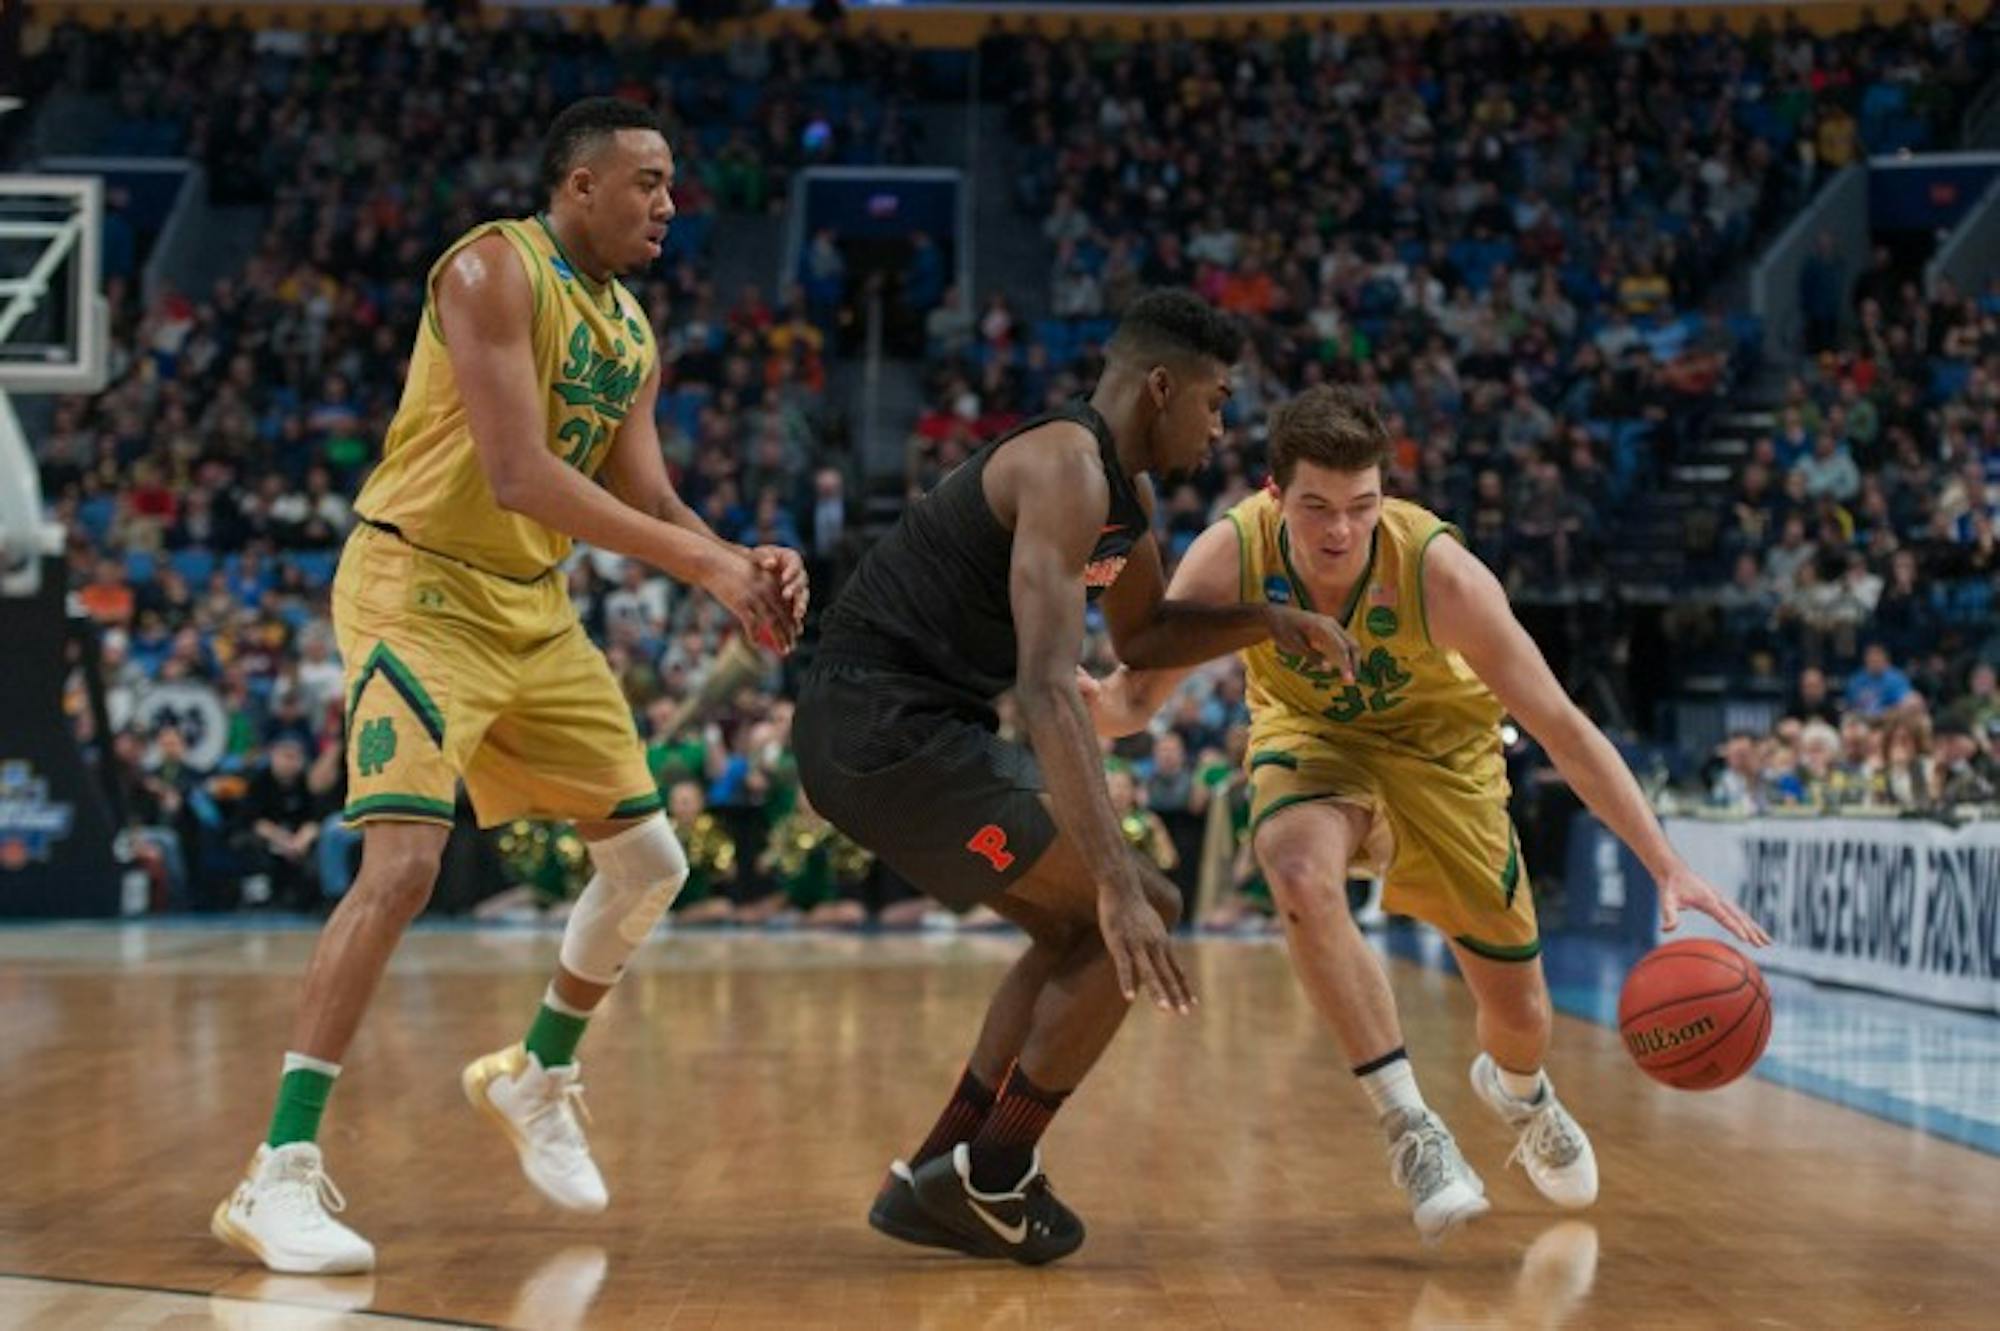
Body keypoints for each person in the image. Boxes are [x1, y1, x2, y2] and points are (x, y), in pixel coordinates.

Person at [212, 98, 805, 1275]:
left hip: (530, 607)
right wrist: (700, 562)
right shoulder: (491, 268)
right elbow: (520, 471)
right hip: (414, 589)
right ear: (577, 185)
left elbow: (646, 495)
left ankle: (536, 1072)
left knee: (650, 863)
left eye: (671, 185)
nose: (668, 204)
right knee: (404, 866)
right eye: (645, 181)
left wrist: (739, 560)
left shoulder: (627, 326)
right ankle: (272, 1173)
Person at [1083, 385, 1769, 1242]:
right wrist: (1071, 701)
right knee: (1295, 867)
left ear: (1386, 496)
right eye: (1316, 507)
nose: (1339, 531)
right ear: (1273, 492)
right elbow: (1134, 697)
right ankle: (1411, 1122)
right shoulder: (1231, 553)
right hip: (1314, 740)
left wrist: (1665, 861)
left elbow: (1560, 723)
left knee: (1520, 1016)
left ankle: (1521, 1091)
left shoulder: (1442, 573)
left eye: (1362, 507)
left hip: (1449, 763)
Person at [794, 290, 1356, 1265]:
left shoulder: (1115, 498)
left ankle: (939, 1172)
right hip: (880, 726)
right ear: (1159, 385)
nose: (1220, 426)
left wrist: (1266, 619)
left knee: (1079, 925)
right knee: (1132, 905)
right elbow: (1049, 686)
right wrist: (1112, 880)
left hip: (920, 726)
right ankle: (990, 1173)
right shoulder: (1062, 467)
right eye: (1215, 401)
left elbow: (1142, 637)